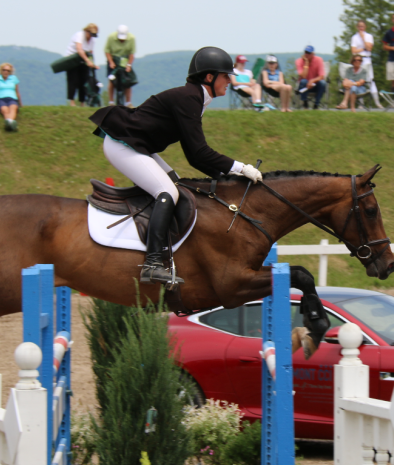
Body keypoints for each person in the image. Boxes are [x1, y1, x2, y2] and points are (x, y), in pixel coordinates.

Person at [88, 47, 262, 285]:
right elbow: (200, 151)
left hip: (137, 146)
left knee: (176, 184)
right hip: (123, 144)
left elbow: (193, 155)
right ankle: (151, 264)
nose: (230, 81)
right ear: (209, 77)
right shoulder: (190, 98)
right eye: (226, 75)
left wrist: (225, 178)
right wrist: (241, 168)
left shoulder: (195, 98)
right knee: (166, 192)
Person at [350, 19, 383, 108]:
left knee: (370, 80)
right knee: (359, 81)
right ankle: (361, 103)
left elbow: (369, 48)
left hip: (367, 60)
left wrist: (363, 38)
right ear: (357, 27)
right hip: (358, 60)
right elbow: (353, 51)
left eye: (362, 26)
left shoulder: (369, 36)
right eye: (359, 26)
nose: (361, 28)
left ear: (365, 27)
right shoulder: (354, 37)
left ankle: (377, 102)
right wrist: (363, 49)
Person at [65, 23, 99, 106]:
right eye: (90, 34)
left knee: (84, 81)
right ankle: (72, 101)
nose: (91, 36)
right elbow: (79, 49)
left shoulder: (92, 40)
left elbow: (90, 52)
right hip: (73, 59)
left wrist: (93, 63)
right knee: (73, 81)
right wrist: (88, 61)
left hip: (84, 60)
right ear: (86, 31)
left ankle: (82, 102)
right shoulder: (80, 35)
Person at [105, 24, 136, 106]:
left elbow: (132, 54)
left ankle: (128, 103)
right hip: (113, 59)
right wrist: (111, 62)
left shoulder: (132, 38)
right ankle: (111, 102)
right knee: (112, 80)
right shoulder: (111, 37)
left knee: (127, 81)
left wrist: (129, 65)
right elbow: (107, 51)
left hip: (125, 61)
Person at [0, 62, 22, 131]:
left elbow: (17, 91)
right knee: (5, 110)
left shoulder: (14, 78)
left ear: (10, 72)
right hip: (0, 99)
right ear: (1, 70)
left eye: (8, 71)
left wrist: (20, 103)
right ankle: (11, 123)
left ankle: (8, 123)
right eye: (4, 70)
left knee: (13, 108)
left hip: (12, 98)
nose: (6, 72)